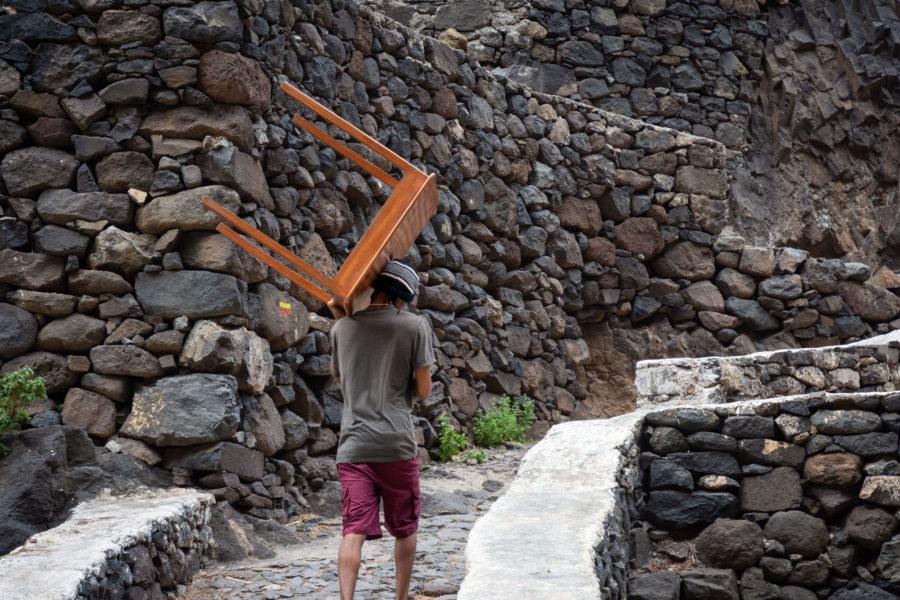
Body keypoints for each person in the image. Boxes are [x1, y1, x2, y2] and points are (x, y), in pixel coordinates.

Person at [327, 258, 435, 600]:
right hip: (396, 446)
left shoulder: (342, 328)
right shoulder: (415, 326)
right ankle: (400, 597)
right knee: (405, 527)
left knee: (352, 530)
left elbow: (341, 377)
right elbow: (423, 390)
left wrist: (342, 323)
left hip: (354, 446)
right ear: (403, 298)